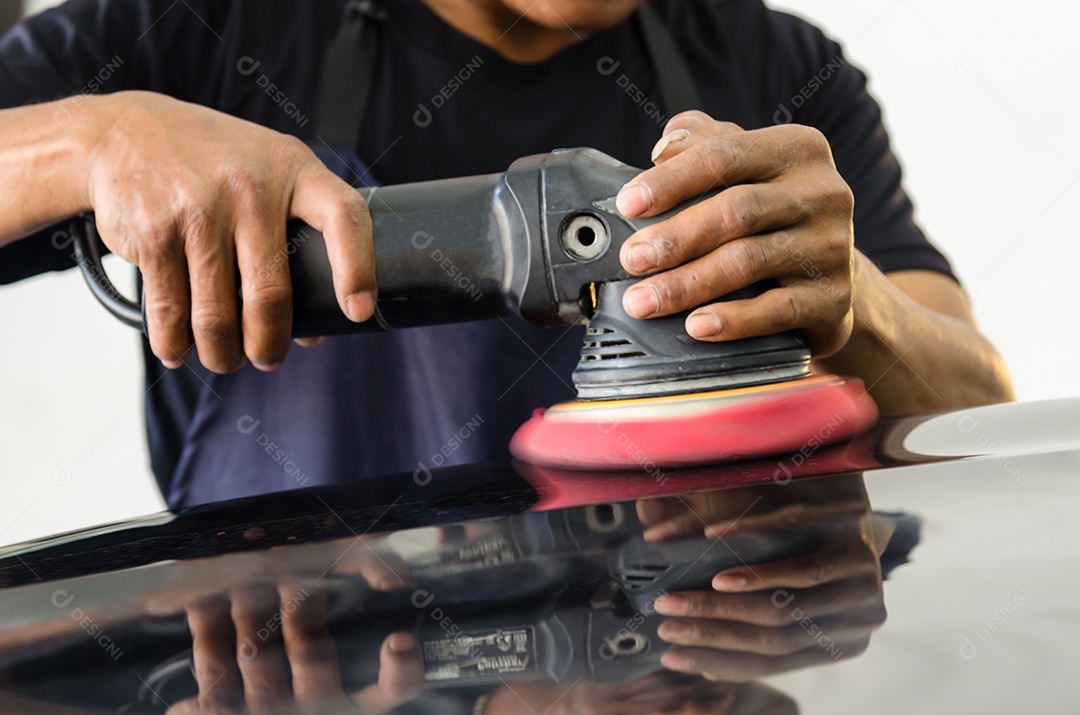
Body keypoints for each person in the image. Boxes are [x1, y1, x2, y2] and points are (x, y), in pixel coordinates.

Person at [0, 0, 1013, 507]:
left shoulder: (777, 69)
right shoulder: (201, 31)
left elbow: (976, 411)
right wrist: (89, 143)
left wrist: (854, 305)